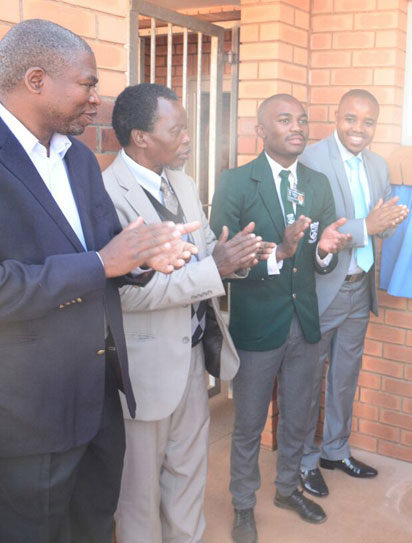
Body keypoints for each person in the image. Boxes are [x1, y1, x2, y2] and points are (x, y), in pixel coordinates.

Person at [0, 20, 196, 543]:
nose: (96, 97)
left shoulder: (79, 159)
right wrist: (102, 264)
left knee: (92, 526)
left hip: (99, 400)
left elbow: (111, 251)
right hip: (27, 415)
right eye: (87, 83)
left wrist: (149, 254)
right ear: (36, 79)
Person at [103, 83, 272, 543]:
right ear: (140, 136)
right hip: (143, 372)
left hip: (194, 363)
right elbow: (125, 295)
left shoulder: (181, 182)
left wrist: (231, 256)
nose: (187, 139)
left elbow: (199, 259)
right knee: (139, 501)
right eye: (175, 129)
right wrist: (214, 268)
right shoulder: (107, 194)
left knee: (188, 484)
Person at [210, 93, 352, 542]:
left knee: (298, 415)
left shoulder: (318, 183)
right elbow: (224, 260)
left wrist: (326, 253)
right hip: (256, 324)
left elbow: (323, 255)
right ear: (260, 131)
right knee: (249, 423)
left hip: (304, 323)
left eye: (303, 120)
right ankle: (243, 505)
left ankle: (288, 488)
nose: (297, 127)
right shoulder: (235, 183)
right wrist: (282, 253)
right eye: (285, 119)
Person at [297, 89, 408, 497]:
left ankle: (335, 450)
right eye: (350, 119)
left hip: (360, 288)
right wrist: (368, 225)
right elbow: (313, 233)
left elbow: (381, 223)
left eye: (368, 122)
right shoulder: (311, 160)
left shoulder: (378, 165)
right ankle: (304, 461)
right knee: (308, 380)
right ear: (336, 118)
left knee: (345, 377)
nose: (358, 129)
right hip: (323, 289)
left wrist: (389, 221)